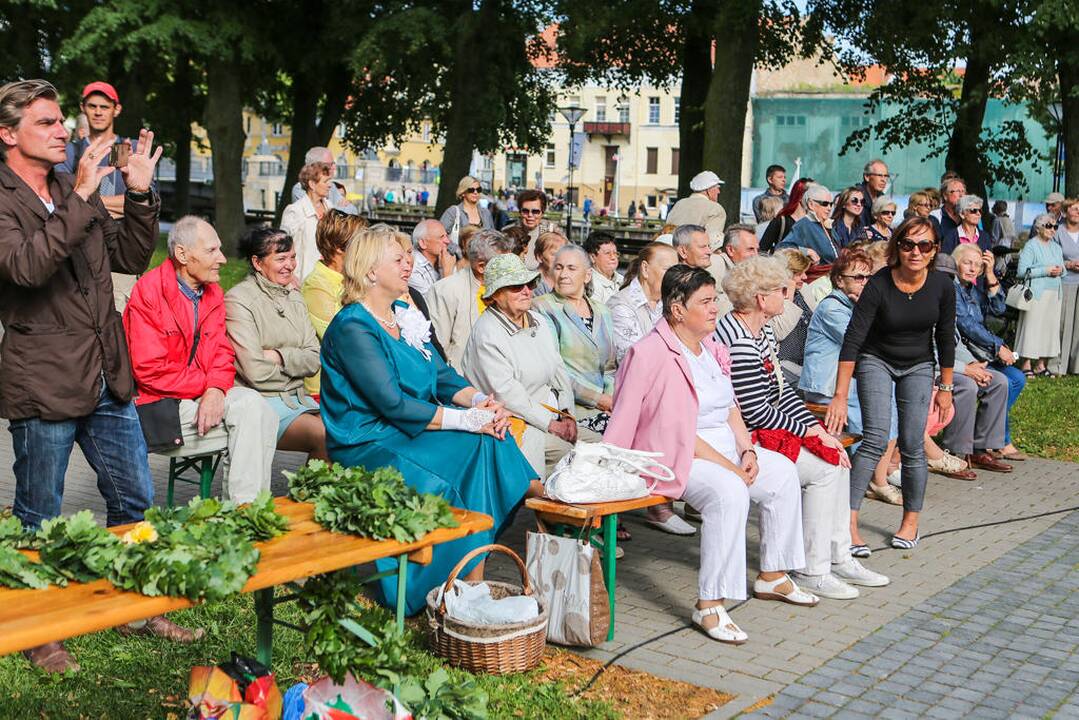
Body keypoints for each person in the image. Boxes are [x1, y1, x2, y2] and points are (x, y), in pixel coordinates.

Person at [0, 79, 200, 671]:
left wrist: (138, 196)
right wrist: (84, 199)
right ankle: (39, 630)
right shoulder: (9, 196)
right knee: (40, 509)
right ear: (8, 134)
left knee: (133, 494)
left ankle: (138, 603)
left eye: (62, 120)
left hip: (106, 370)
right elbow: (27, 268)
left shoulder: (70, 185)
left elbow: (129, 258)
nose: (64, 130)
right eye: (46, 122)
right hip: (44, 375)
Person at [319, 227, 535, 615]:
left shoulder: (403, 315)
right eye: (398, 259)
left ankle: (471, 579)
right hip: (369, 440)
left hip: (409, 430)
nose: (409, 264)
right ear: (370, 271)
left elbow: (442, 375)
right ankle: (429, 585)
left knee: (490, 440)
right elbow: (392, 405)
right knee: (469, 452)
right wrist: (469, 420)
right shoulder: (354, 326)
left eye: (408, 257)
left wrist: (483, 402)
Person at [605, 264, 820, 644]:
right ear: (676, 309)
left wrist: (747, 448)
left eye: (714, 299)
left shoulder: (711, 349)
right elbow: (675, 429)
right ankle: (709, 605)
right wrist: (731, 468)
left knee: (782, 471)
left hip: (722, 446)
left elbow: (730, 405)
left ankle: (773, 575)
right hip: (671, 453)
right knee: (728, 492)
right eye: (704, 301)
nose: (714, 308)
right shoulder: (650, 353)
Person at [716, 256, 888, 599]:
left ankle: (838, 556)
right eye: (783, 289)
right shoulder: (738, 339)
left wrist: (817, 428)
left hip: (762, 430)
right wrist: (809, 432)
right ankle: (813, 569)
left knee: (836, 457)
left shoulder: (761, 329)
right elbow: (755, 411)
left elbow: (782, 392)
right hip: (741, 438)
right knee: (824, 469)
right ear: (761, 299)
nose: (790, 292)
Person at [125, 216, 279, 503]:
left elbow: (222, 351)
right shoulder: (149, 292)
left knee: (260, 411)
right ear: (183, 254)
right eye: (211, 251)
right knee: (251, 429)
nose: (222, 258)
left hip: (199, 395)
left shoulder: (212, 293)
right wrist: (207, 389)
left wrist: (215, 389)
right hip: (159, 404)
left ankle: (244, 509)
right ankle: (244, 513)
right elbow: (149, 371)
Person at [825, 217, 956, 551]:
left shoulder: (942, 286)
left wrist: (946, 388)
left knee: (913, 443)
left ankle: (910, 522)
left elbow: (945, 339)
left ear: (934, 250)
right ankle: (848, 524)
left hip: (919, 365)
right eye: (908, 244)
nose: (915, 251)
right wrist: (840, 395)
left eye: (924, 245)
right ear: (897, 246)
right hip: (876, 360)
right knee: (875, 439)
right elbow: (853, 339)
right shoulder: (880, 283)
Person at [800, 249, 903, 507]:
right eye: (857, 277)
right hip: (827, 387)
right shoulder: (832, 307)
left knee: (891, 398)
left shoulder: (855, 306)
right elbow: (863, 343)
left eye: (868, 277)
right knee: (881, 406)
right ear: (839, 280)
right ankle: (875, 479)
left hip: (847, 382)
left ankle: (877, 473)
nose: (864, 283)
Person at [461, 253, 577, 477]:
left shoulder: (538, 320)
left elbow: (558, 368)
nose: (526, 290)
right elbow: (508, 395)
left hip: (550, 414)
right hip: (513, 422)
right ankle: (543, 507)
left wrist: (567, 413)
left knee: (601, 445)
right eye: (515, 286)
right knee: (571, 456)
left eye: (529, 283)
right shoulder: (487, 334)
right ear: (494, 294)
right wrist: (552, 425)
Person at [225, 227, 327, 462]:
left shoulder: (295, 298)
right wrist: (295, 362)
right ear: (257, 263)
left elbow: (314, 358)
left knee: (350, 431)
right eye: (281, 258)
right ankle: (308, 496)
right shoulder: (239, 300)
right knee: (326, 436)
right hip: (261, 403)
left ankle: (312, 497)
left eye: (292, 257)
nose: (290, 265)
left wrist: (278, 356)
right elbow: (255, 371)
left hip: (299, 398)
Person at [55, 82, 139, 310]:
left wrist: (83, 200)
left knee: (117, 317)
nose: (99, 112)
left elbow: (135, 203)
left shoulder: (122, 149)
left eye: (104, 106)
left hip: (116, 254)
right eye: (92, 106)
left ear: (116, 109)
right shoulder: (70, 151)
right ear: (83, 108)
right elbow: (62, 202)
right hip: (77, 254)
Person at [948, 247, 1025, 467]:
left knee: (1015, 379)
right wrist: (998, 346)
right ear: (956, 263)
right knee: (1001, 381)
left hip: (980, 352)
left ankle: (984, 440)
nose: (972, 268)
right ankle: (980, 442)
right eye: (967, 263)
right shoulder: (951, 288)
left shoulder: (972, 289)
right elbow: (966, 325)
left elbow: (999, 309)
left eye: (977, 264)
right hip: (965, 353)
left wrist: (990, 274)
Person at [532, 245, 618, 433]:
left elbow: (610, 367)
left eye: (571, 268)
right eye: (558, 267)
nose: (563, 274)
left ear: (587, 275)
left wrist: (611, 400)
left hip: (607, 407)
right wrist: (598, 399)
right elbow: (553, 368)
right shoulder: (542, 307)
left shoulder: (603, 311)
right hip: (569, 409)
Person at [302, 210, 367, 399]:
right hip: (328, 390)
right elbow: (343, 340)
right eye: (361, 242)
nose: (366, 248)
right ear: (340, 247)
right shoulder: (316, 286)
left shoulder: (353, 278)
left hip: (355, 380)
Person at [427, 229, 513, 370]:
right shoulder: (446, 290)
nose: (510, 269)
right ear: (481, 267)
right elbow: (439, 346)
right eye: (503, 264)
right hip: (464, 379)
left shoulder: (511, 288)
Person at [609, 242, 679, 363]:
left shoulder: (668, 302)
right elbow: (633, 360)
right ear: (645, 269)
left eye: (677, 271)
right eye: (668, 270)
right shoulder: (621, 306)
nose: (676, 277)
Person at [1015, 213, 1065, 377]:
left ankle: (1041, 364)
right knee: (1032, 327)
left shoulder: (1056, 247)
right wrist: (1045, 270)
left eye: (1055, 227)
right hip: (1036, 293)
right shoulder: (1031, 246)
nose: (1052, 230)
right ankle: (1026, 363)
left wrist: (1060, 270)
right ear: (1039, 228)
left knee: (1049, 329)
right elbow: (1022, 272)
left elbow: (1063, 269)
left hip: (1054, 294)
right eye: (1049, 226)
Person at [281, 160, 333, 282]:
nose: (330, 185)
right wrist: (291, 277)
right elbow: (283, 249)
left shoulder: (330, 208)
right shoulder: (294, 211)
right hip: (302, 281)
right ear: (312, 184)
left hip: (328, 278)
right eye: (325, 181)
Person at [771, 248, 814, 385]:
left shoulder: (804, 290)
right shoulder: (773, 296)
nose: (805, 277)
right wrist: (788, 291)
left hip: (807, 361)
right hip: (783, 363)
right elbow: (779, 331)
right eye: (799, 273)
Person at [776, 183, 839, 264]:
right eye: (825, 204)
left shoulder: (828, 224)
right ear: (811, 204)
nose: (829, 208)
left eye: (831, 204)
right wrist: (807, 251)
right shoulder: (804, 224)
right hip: (819, 274)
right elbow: (782, 248)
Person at [666, 170, 727, 247]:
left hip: (670, 251)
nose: (719, 192)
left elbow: (667, 230)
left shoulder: (679, 204)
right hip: (694, 255)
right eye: (717, 188)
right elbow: (713, 242)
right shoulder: (715, 209)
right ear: (709, 190)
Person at [1054, 199, 1079, 375]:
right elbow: (1050, 257)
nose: (1078, 212)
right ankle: (1057, 365)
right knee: (1062, 325)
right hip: (1064, 282)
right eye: (1075, 209)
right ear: (1065, 210)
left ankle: (1076, 365)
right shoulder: (1057, 231)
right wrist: (1068, 265)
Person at [505, 188, 558, 269]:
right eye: (525, 211)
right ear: (520, 212)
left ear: (542, 213)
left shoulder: (552, 233)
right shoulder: (509, 234)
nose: (530, 215)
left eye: (535, 211)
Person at [439, 176, 494, 249]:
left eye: (478, 189)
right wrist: (456, 250)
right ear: (463, 193)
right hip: (459, 258)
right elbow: (439, 236)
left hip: (483, 257)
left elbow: (493, 236)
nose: (475, 192)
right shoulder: (453, 212)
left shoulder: (486, 213)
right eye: (471, 190)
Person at [760, 177, 813, 253]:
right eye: (814, 195)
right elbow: (762, 250)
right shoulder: (781, 221)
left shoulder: (816, 223)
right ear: (801, 196)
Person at [409, 218, 456, 295]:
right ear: (423, 243)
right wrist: (447, 273)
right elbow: (432, 304)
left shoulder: (445, 260)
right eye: (441, 237)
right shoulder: (412, 268)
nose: (447, 241)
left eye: (446, 236)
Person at [584, 231, 624, 304]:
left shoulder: (622, 280)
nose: (613, 257)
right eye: (607, 253)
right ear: (592, 257)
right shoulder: (590, 285)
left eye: (615, 253)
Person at [532, 230, 566, 296]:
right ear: (539, 257)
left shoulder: (565, 280)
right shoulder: (533, 285)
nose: (560, 258)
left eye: (563, 254)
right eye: (554, 254)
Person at [858, 159, 889, 227]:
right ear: (867, 177)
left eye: (886, 176)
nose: (883, 180)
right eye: (880, 175)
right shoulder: (856, 197)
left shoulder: (882, 198)